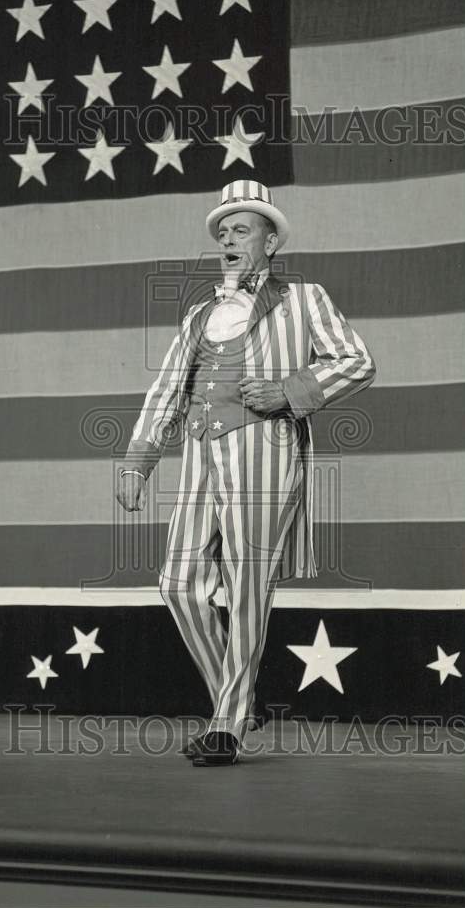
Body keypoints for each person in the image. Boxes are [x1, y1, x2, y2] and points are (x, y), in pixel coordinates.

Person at [116, 180, 376, 766]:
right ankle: (233, 705)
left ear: (270, 240)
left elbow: (357, 361)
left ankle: (227, 725)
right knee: (178, 584)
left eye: (242, 229)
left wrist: (289, 390)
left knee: (247, 587)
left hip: (266, 454)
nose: (229, 239)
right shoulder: (200, 312)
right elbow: (168, 389)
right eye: (223, 231)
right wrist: (140, 459)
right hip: (202, 459)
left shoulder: (303, 298)